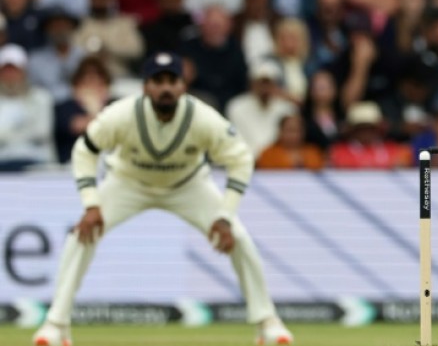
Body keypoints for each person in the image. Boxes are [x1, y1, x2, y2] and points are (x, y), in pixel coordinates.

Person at [31, 52, 293, 346]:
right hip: (128, 182)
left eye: (172, 80)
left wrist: (225, 216)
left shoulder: (202, 117)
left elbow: (241, 159)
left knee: (240, 238)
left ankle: (268, 323)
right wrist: (91, 204)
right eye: (158, 81)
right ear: (145, 86)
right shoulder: (123, 113)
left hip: (188, 185)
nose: (165, 88)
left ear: (183, 86)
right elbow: (84, 150)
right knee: (81, 236)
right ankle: (55, 325)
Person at [226, 60, 298, 157]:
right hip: (245, 160)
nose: (264, 89)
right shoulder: (236, 107)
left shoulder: (288, 109)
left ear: (275, 85)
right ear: (252, 84)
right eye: (261, 83)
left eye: (268, 83)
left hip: (278, 163)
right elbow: (234, 139)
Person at [0, 43, 55, 171]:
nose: (11, 76)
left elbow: (42, 132)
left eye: (15, 70)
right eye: (6, 71)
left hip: (37, 161)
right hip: (3, 162)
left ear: (24, 72)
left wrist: (7, 136)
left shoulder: (42, 97)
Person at [256, 114, 326, 170]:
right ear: (280, 132)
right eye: (289, 130)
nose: (293, 135)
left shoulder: (313, 152)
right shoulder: (268, 154)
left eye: (297, 130)